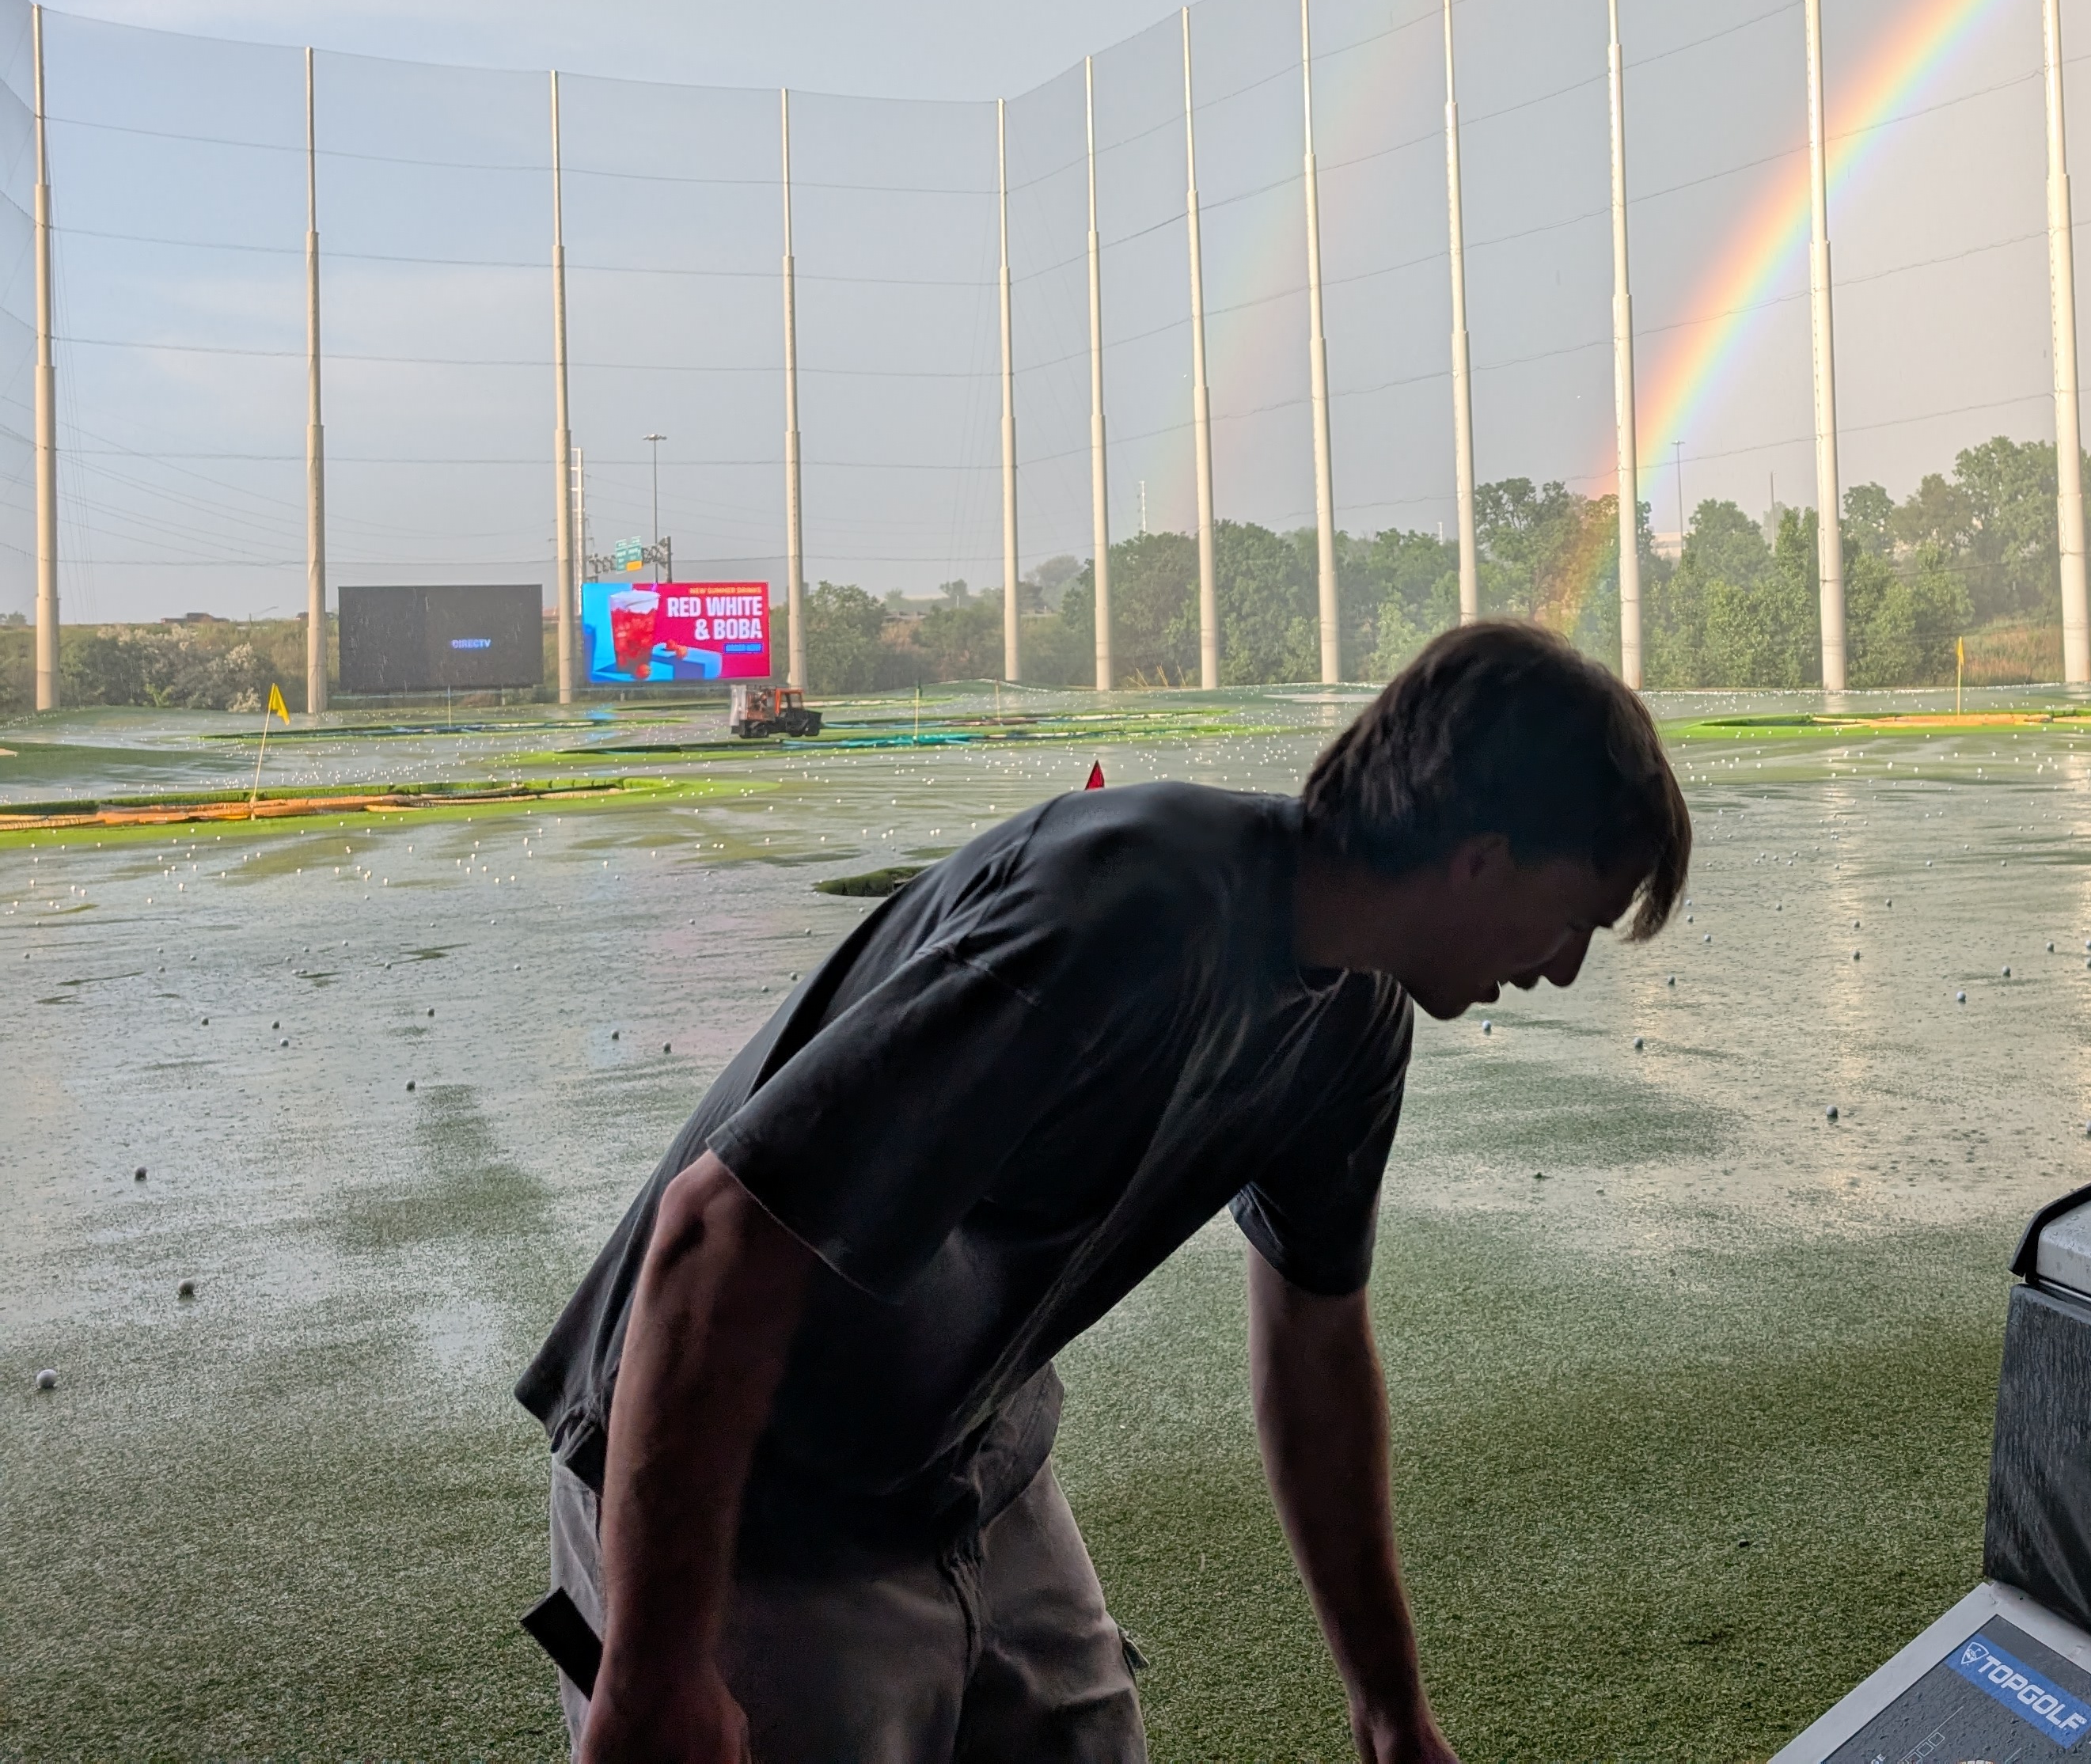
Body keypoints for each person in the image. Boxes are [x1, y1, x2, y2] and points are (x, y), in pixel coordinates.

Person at [517, 620, 1690, 1764]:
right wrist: (656, 1668)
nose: (1564, 967)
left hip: (965, 1464)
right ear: (1481, 858)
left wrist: (1390, 1712)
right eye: (1571, 920)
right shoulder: (1131, 907)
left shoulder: (1358, 1017)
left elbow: (1318, 1353)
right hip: (742, 1488)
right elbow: (717, 1236)